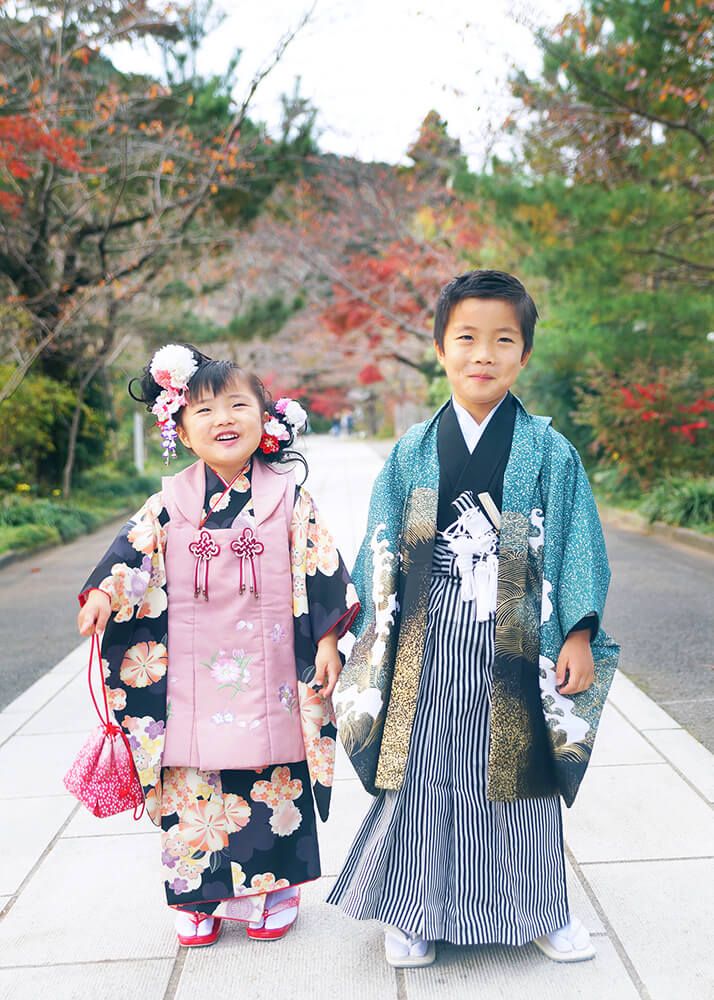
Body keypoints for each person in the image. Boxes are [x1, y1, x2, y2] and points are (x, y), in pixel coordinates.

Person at [328, 270, 620, 967]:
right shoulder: (410, 452)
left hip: (519, 630)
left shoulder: (550, 450)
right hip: (427, 633)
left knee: (521, 775)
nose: (482, 353)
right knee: (425, 768)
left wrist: (577, 631)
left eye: (502, 340)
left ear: (524, 355)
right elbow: (379, 546)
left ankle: (540, 908)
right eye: (466, 337)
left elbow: (578, 537)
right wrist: (365, 638)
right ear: (439, 348)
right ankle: (415, 909)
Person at [77, 344, 358, 947]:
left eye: (238, 405)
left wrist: (329, 639)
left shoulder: (289, 498)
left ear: (265, 421)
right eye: (204, 410)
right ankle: (198, 897)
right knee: (192, 776)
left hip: (276, 669)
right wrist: (103, 595)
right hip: (189, 676)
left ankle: (275, 891)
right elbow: (130, 557)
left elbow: (321, 567)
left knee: (272, 774)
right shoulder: (168, 503)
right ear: (177, 427)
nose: (223, 419)